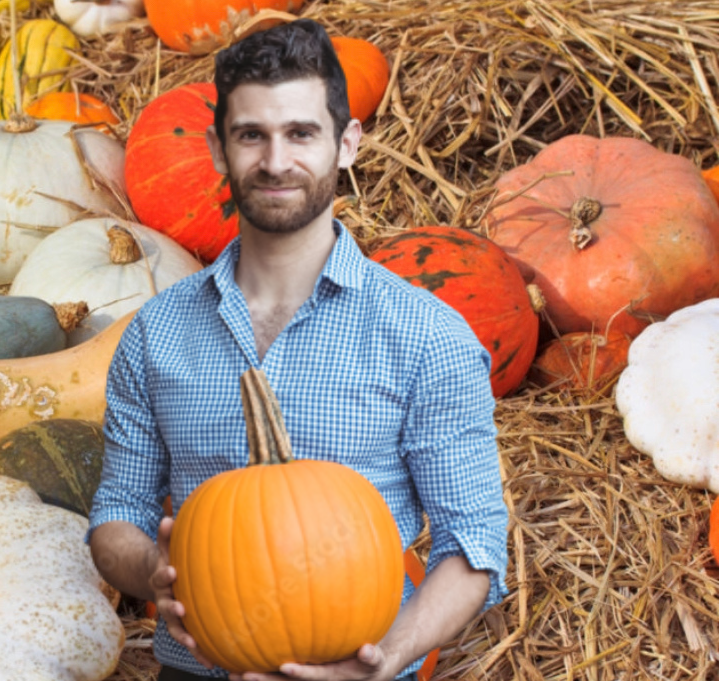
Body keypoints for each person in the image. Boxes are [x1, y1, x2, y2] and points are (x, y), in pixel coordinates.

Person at [86, 18, 509, 681]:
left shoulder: (426, 334)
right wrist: (156, 572)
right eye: (251, 135)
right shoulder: (156, 331)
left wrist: (389, 655)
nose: (276, 162)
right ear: (218, 150)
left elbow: (474, 545)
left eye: (301, 134)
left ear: (347, 144)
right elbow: (117, 515)